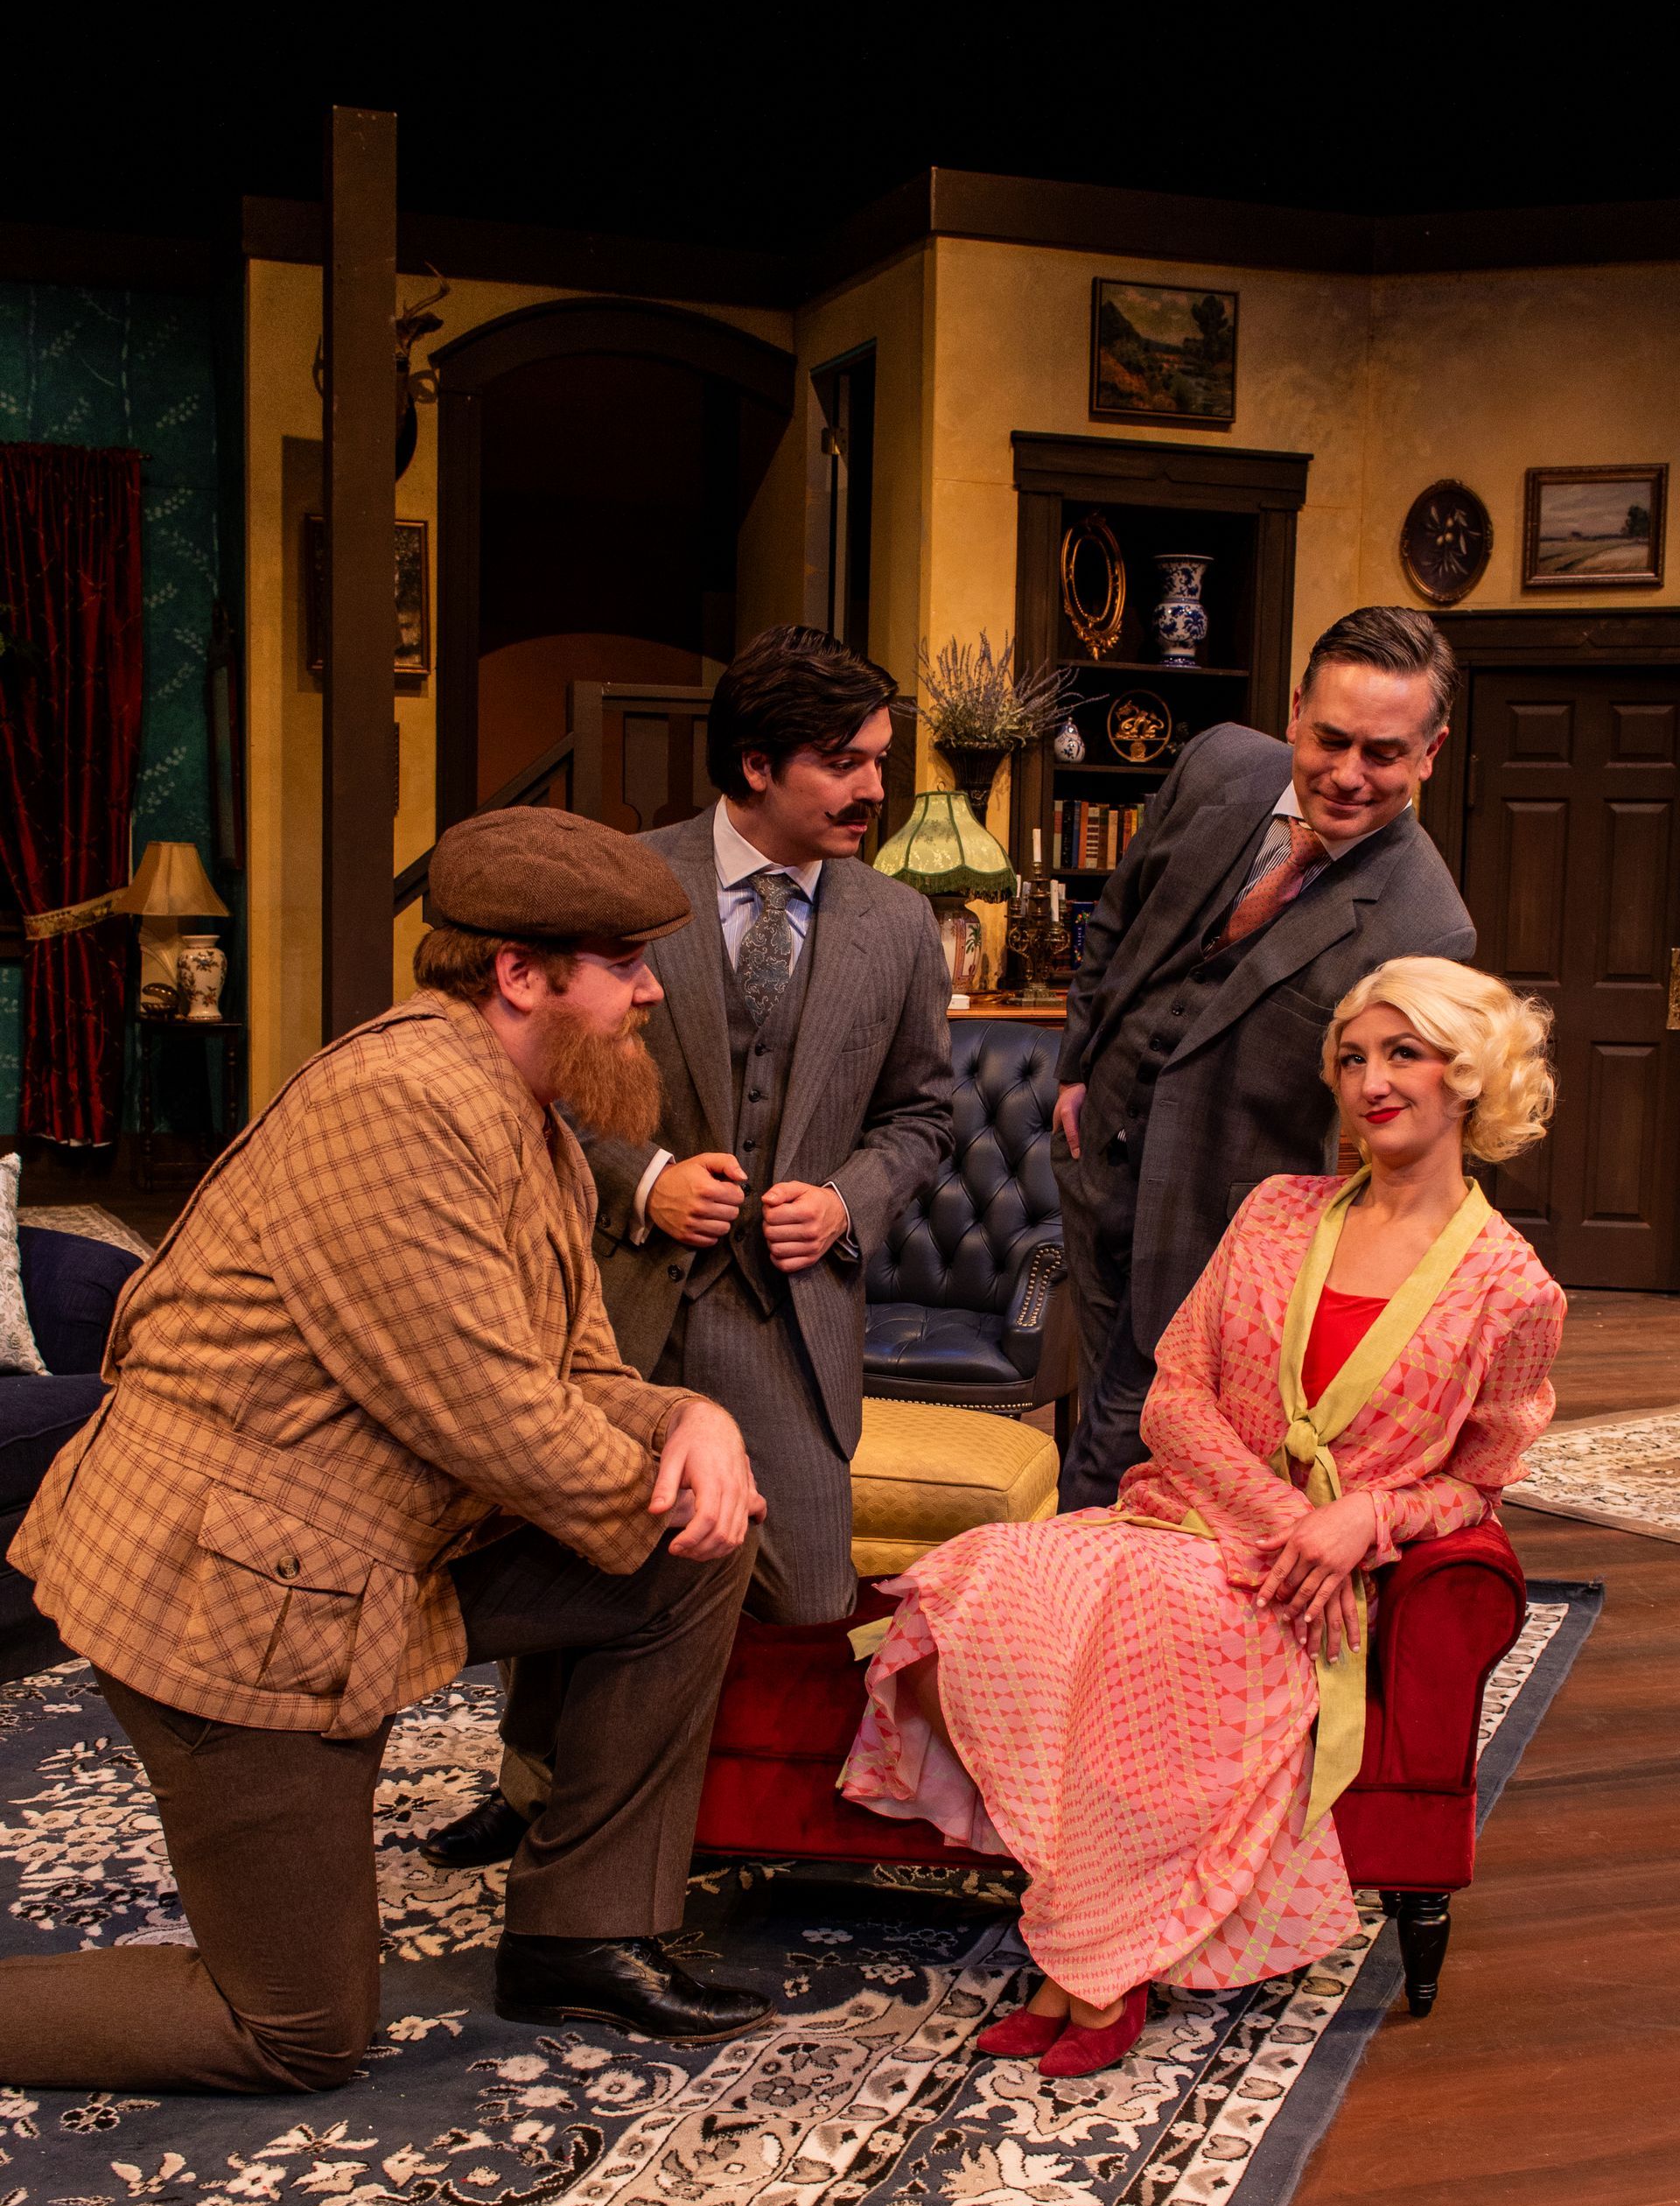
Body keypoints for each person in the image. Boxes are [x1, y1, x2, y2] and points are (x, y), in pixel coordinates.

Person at [0, 808, 778, 2094]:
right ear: (522, 976)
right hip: (233, 1602)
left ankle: (582, 1934)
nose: (651, 992)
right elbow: (488, 1412)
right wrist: (661, 1469)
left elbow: (573, 1372)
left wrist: (697, 1422)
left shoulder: (530, 1121)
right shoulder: (400, 1108)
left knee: (696, 1545)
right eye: (624, 964)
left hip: (375, 1557)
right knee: (295, 2030)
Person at [841, 957, 1564, 2078]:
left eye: (1404, 1055)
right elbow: (1173, 1395)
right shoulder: (1276, 1214)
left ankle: (1090, 1976)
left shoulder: (1513, 1292)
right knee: (963, 1589)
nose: (1370, 1081)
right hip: (1193, 1521)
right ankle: (1095, 1942)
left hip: (1301, 1586)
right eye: (1354, 1057)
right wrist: (1287, 1520)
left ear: (1468, 1079)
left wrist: (1359, 1525)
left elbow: (1479, 1484)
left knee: (1154, 1623)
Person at [425, 626, 953, 1873]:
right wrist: (646, 1180)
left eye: (880, 760)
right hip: (616, 1303)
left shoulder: (896, 924)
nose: (876, 789)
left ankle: (757, 1815)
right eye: (846, 762)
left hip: (794, 1319)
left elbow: (923, 1114)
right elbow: (524, 1078)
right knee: (578, 1554)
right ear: (757, 766)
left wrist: (848, 1202)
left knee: (807, 1586)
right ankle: (539, 1789)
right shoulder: (621, 886)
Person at [1054, 605, 1477, 1511]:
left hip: (1214, 1226)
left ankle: (1059, 1616)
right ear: (1294, 711)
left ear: (1429, 753)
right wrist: (1077, 1070)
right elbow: (1121, 915)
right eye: (1330, 739)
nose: (1350, 775)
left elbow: (1396, 1123)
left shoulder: (1427, 924)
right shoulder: (1218, 764)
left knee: (1122, 1445)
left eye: (1386, 753)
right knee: (1096, 1405)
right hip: (1094, 1167)